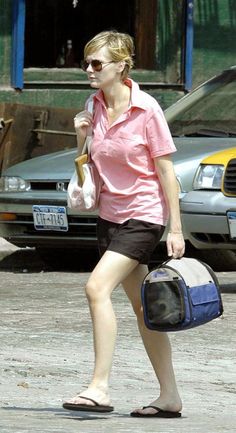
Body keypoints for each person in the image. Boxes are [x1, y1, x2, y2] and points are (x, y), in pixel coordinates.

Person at [63, 30, 185, 417]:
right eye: (86, 62)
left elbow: (167, 172)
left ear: (121, 65)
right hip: (110, 216)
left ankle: (99, 387)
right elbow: (89, 163)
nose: (89, 69)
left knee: (95, 287)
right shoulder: (93, 106)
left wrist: (176, 229)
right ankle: (170, 397)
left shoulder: (147, 109)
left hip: (144, 216)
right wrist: (81, 137)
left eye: (96, 63)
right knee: (142, 308)